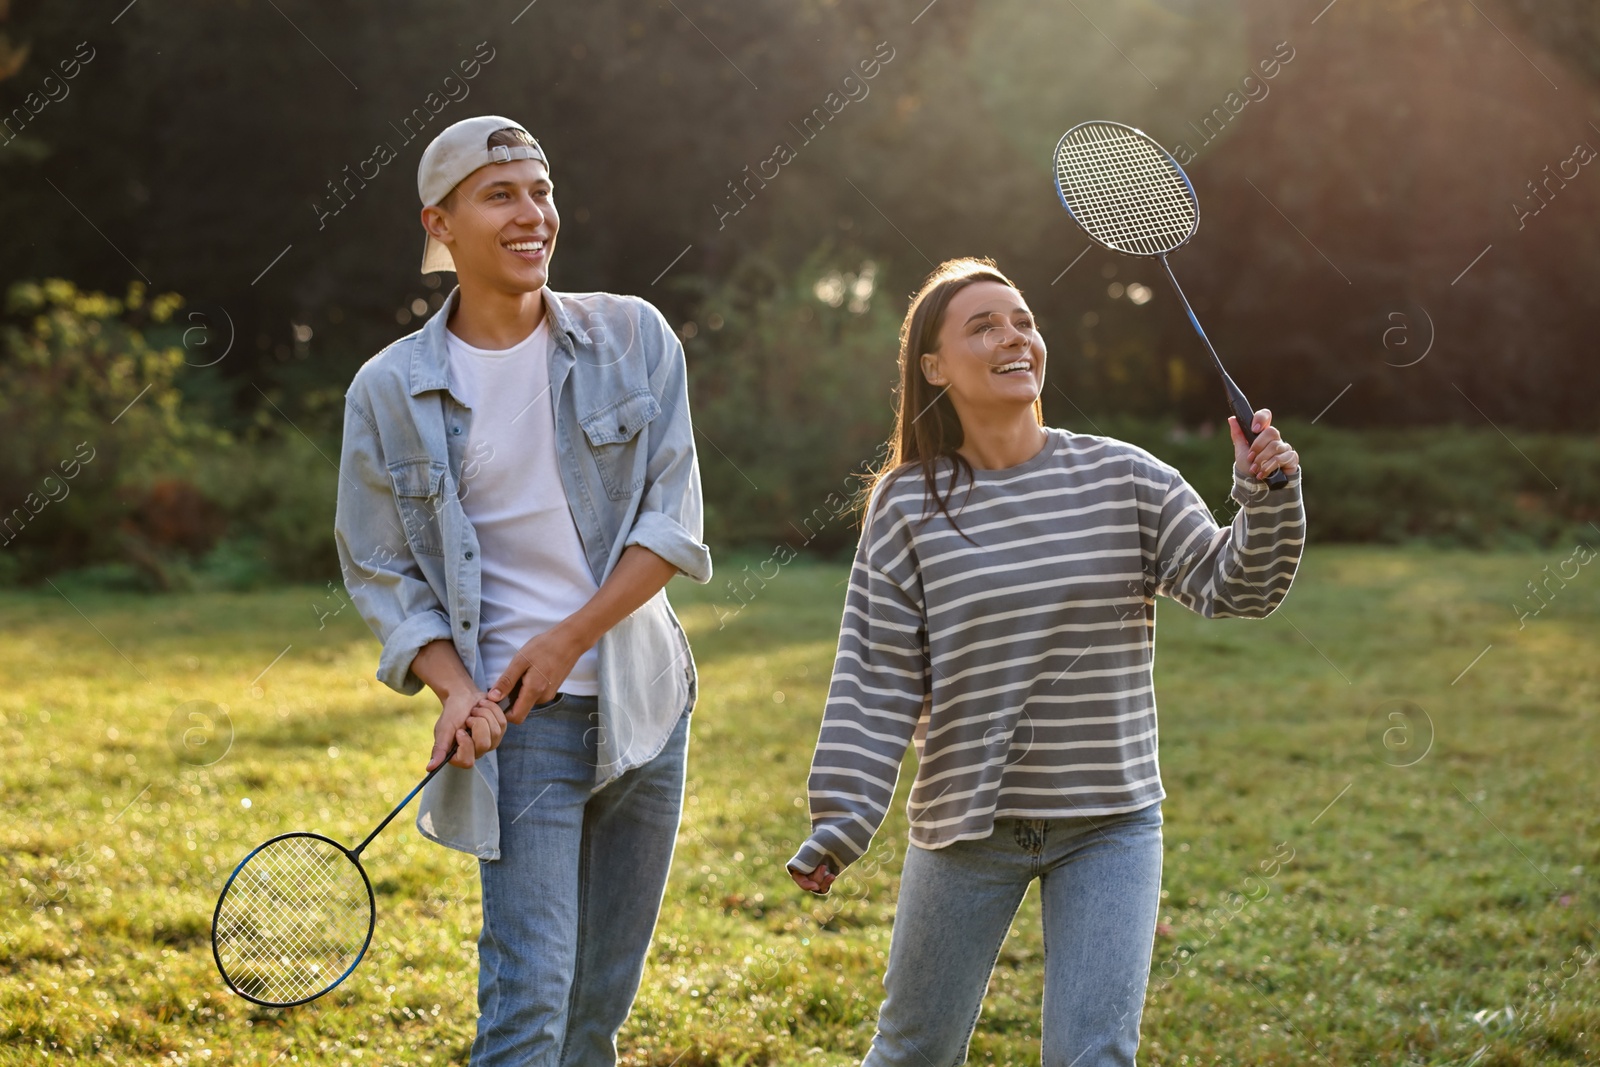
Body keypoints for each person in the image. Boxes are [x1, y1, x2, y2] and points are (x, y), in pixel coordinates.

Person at [786, 257, 1305, 1066]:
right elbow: (876, 675)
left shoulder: (1124, 476)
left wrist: (1265, 498)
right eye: (984, 325)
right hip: (967, 826)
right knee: (912, 1051)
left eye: (1023, 319)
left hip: (1110, 822)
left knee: (1092, 1056)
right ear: (934, 365)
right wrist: (840, 822)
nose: (1014, 336)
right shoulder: (908, 503)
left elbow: (1235, 587)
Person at [333, 114, 712, 1066]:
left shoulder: (633, 336)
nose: (531, 214)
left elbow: (672, 524)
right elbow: (380, 568)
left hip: (644, 700)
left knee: (596, 1010)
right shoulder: (389, 389)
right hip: (521, 727)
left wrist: (569, 636)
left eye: (541, 191)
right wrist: (456, 688)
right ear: (441, 223)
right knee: (529, 1001)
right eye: (500, 194)